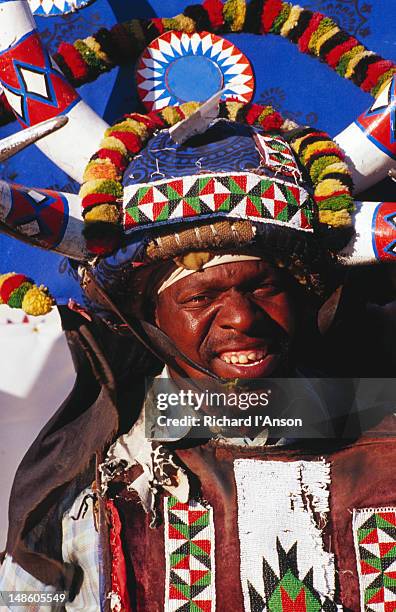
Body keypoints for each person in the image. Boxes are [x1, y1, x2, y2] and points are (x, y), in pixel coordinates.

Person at [0, 2, 396, 610]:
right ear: (148, 319)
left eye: (263, 286)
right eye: (200, 296)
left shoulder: (385, 439)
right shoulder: (97, 484)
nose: (241, 318)